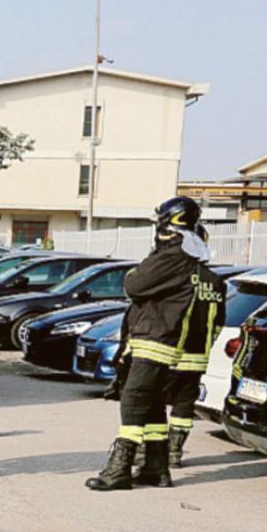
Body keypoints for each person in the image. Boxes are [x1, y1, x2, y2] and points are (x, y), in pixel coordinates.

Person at [86, 197, 211, 491]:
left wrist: (136, 273)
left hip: (154, 341)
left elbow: (134, 285)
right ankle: (156, 468)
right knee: (153, 405)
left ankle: (118, 469)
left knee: (133, 401)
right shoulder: (184, 254)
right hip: (159, 341)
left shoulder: (173, 254)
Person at [165, 220, 226, 469]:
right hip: (198, 357)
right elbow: (219, 322)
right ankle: (174, 452)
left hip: (170, 354)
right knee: (184, 407)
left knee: (153, 402)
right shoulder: (216, 282)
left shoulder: (177, 278)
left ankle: (150, 453)